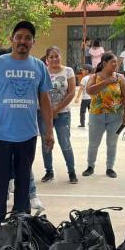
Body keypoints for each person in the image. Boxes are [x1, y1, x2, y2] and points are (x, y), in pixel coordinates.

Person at [0, 20, 54, 226]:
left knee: (23, 186)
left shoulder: (39, 66)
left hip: (28, 135)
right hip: (0, 136)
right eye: (19, 37)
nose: (23, 41)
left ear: (33, 42)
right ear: (12, 40)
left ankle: (21, 226)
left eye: (27, 38)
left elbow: (45, 101)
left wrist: (49, 131)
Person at [82, 52, 125, 178]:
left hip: (116, 116)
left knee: (112, 143)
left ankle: (110, 168)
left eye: (116, 62)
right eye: (112, 62)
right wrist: (106, 82)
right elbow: (89, 90)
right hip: (96, 116)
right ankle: (90, 166)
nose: (115, 64)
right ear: (104, 63)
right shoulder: (94, 76)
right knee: (93, 143)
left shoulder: (120, 77)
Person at [39, 46, 78, 184]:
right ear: (47, 59)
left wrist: (56, 109)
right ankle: (49, 171)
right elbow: (39, 92)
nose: (54, 59)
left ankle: (72, 172)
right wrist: (48, 111)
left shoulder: (68, 71)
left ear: (60, 56)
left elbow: (72, 92)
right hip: (43, 114)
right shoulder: (42, 71)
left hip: (63, 114)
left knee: (65, 143)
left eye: (57, 56)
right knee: (46, 143)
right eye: (51, 57)